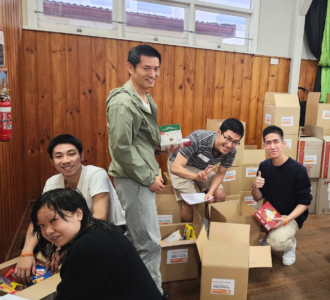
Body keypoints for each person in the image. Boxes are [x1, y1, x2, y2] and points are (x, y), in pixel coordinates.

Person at [107, 44, 177, 298]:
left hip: (144, 177)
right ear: (130, 67)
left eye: (156, 68)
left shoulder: (146, 98)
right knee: (148, 244)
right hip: (135, 179)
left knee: (144, 240)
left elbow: (142, 141)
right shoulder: (123, 103)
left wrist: (164, 146)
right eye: (146, 68)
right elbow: (122, 149)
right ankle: (152, 294)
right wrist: (149, 177)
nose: (153, 74)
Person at [15, 134, 125, 284]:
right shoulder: (52, 182)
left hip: (107, 229)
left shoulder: (96, 174)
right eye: (59, 156)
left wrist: (66, 248)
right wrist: (25, 253)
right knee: (28, 242)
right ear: (52, 161)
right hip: (71, 230)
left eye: (71, 154)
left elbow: (100, 218)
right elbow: (38, 221)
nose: (65, 160)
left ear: (81, 156)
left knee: (79, 251)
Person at [31, 188, 164, 299]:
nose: (47, 231)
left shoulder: (89, 244)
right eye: (41, 225)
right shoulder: (100, 229)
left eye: (54, 220)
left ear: (78, 214)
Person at [251, 125, 312, 266]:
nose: (272, 146)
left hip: (289, 216)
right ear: (264, 146)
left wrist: (286, 220)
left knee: (276, 243)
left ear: (284, 143)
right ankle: (271, 235)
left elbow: (305, 202)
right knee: (245, 222)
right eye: (268, 143)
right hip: (270, 212)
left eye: (276, 141)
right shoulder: (264, 166)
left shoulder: (298, 170)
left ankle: (289, 245)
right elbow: (256, 197)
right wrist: (255, 186)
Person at [168, 118, 244, 222]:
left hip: (203, 167)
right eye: (228, 138)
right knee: (192, 203)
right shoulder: (198, 138)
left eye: (235, 142)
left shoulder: (232, 151)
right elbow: (175, 167)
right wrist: (195, 177)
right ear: (218, 132)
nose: (230, 145)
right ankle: (187, 233)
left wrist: (210, 193)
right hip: (181, 164)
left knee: (220, 196)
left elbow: (221, 174)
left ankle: (207, 229)